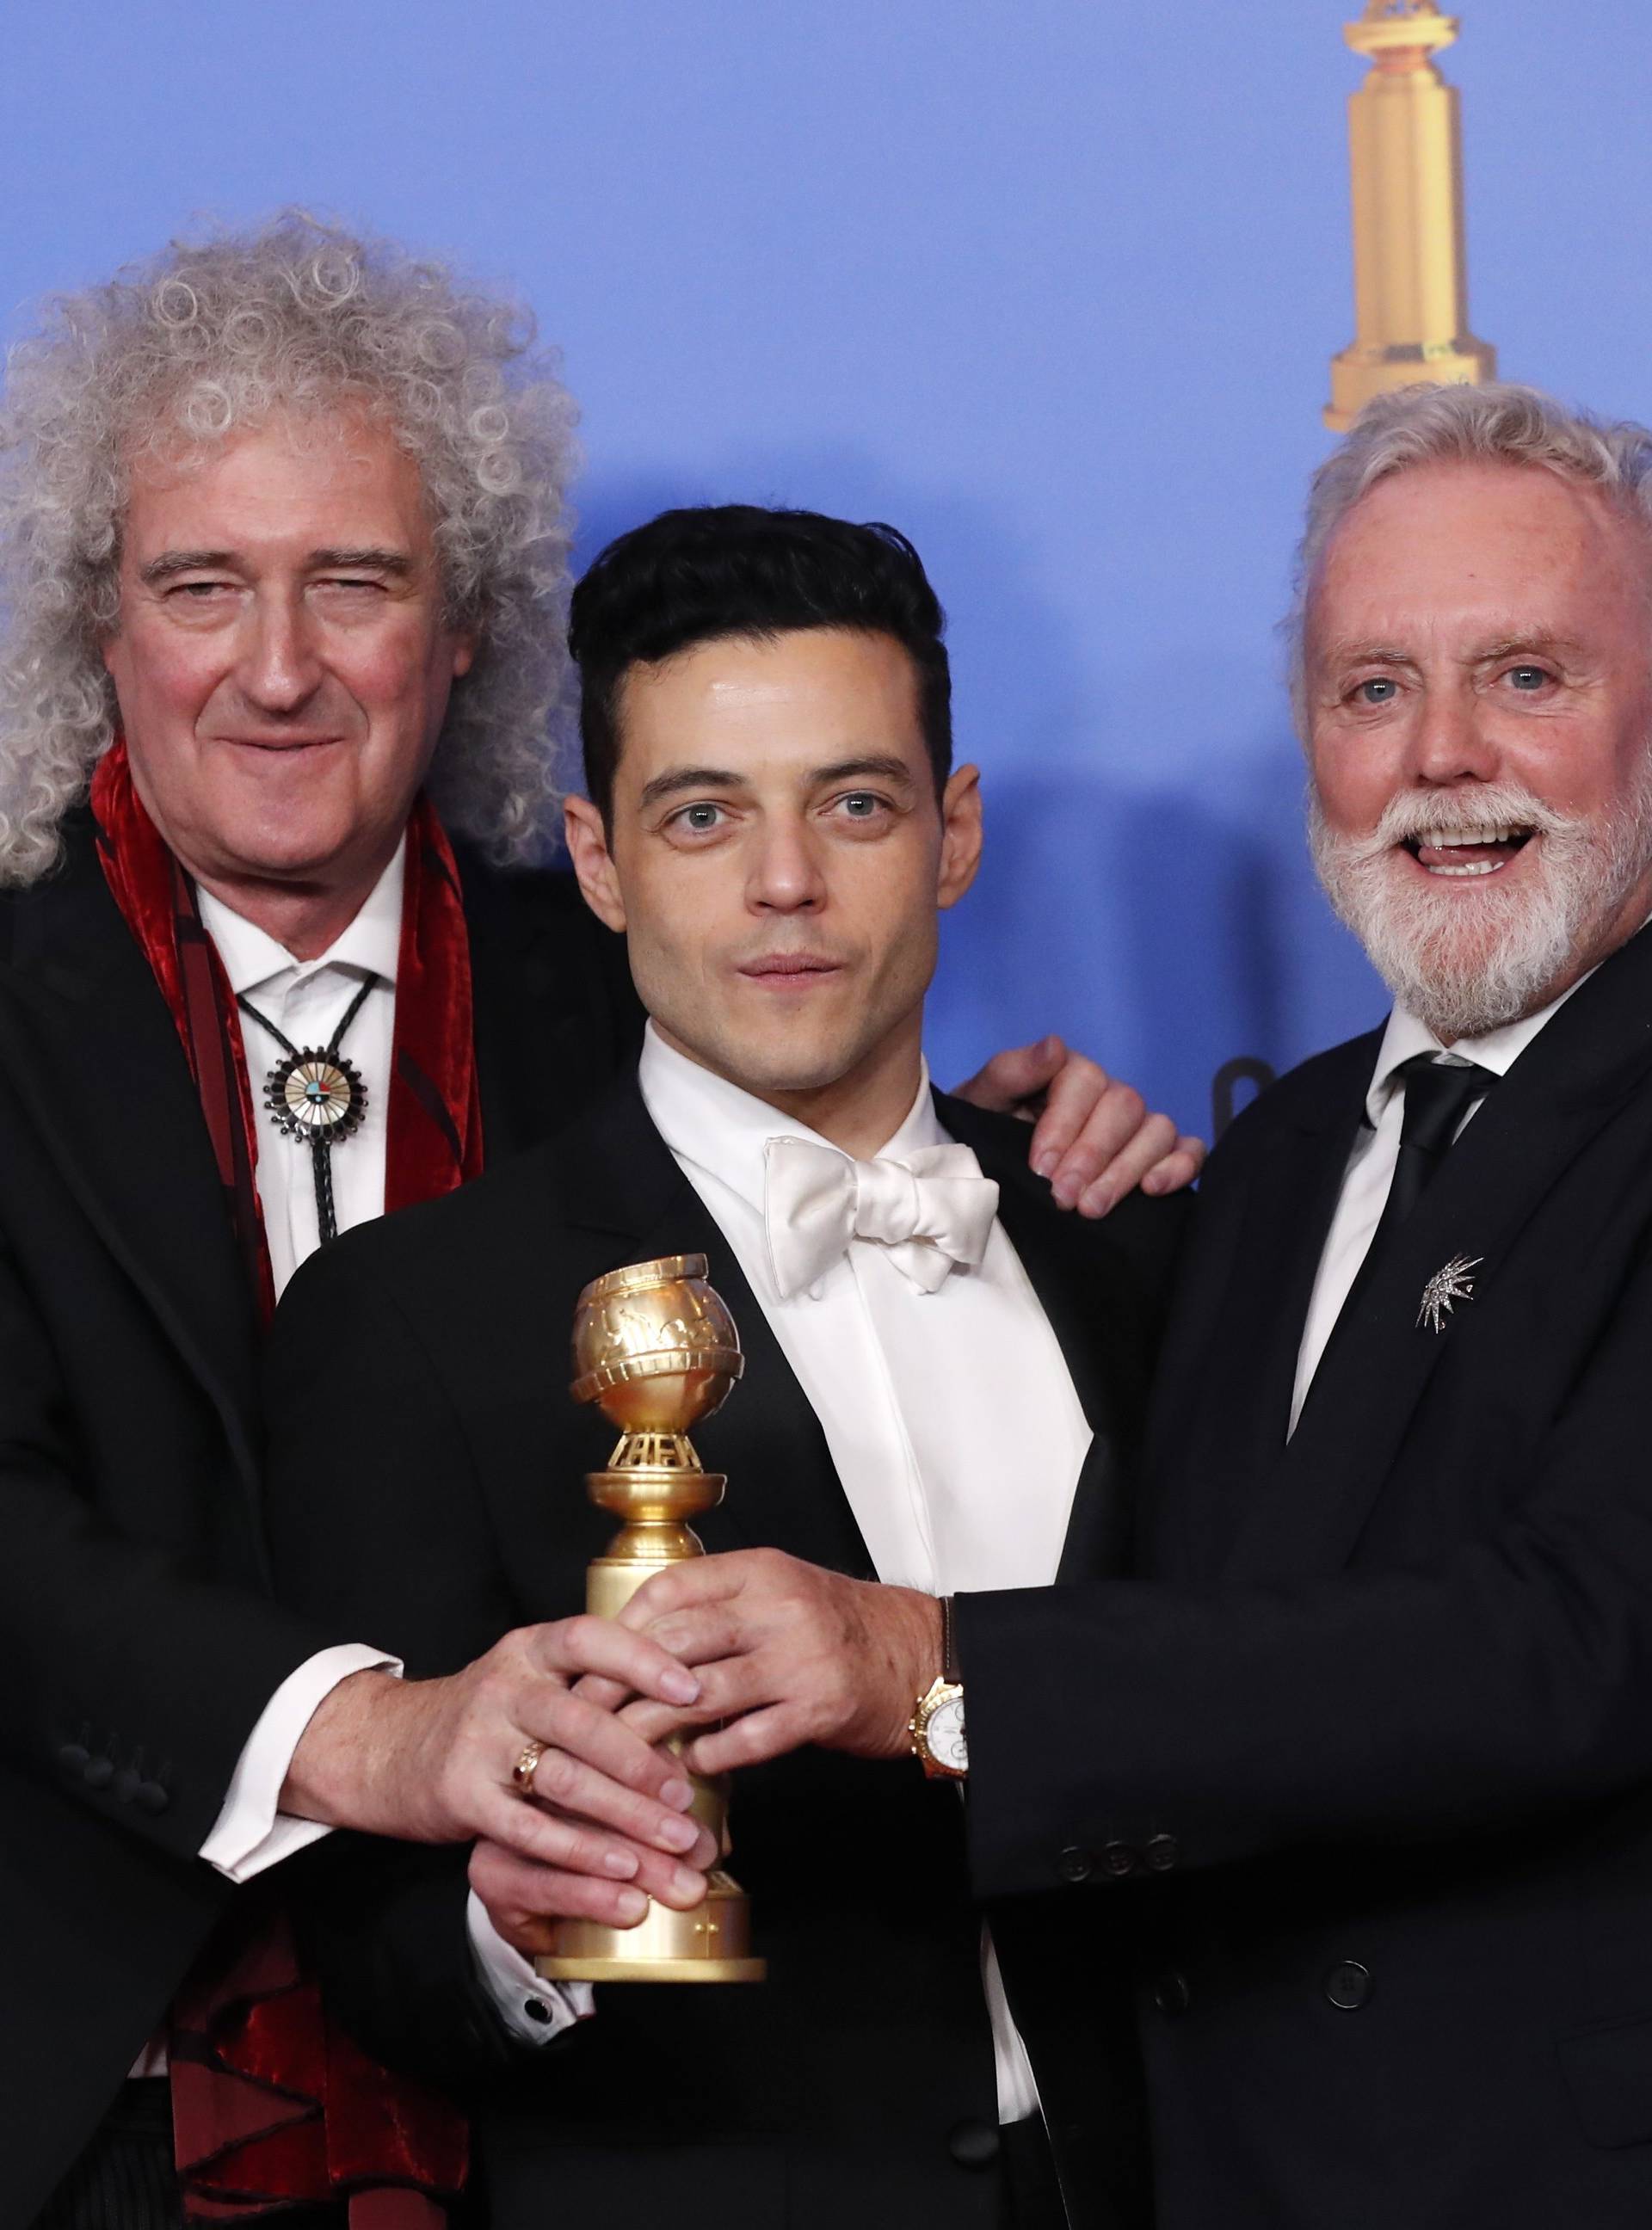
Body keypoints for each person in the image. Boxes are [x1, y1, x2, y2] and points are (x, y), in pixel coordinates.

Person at [0, 214, 1195, 2228]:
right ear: (97, 627)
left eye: (352, 585)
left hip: (608, 2117)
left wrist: (1014, 1153)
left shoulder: (637, 968)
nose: (277, 667)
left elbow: (809, 1143)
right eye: (201, 587)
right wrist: (368, 1738)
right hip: (100, 2087)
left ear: (460, 629)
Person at [601, 385, 1652, 2227]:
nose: (1441, 755)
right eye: (1372, 688)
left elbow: (1559, 1647)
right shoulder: (1258, 1168)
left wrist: (933, 1674)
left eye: (1531, 679)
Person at [263, 503, 1188, 2230]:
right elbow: (372, 1955)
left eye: (854, 803)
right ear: (598, 860)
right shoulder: (407, 1322)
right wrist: (518, 1923)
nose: (786, 884)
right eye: (704, 817)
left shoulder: (1142, 1254)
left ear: (954, 831)